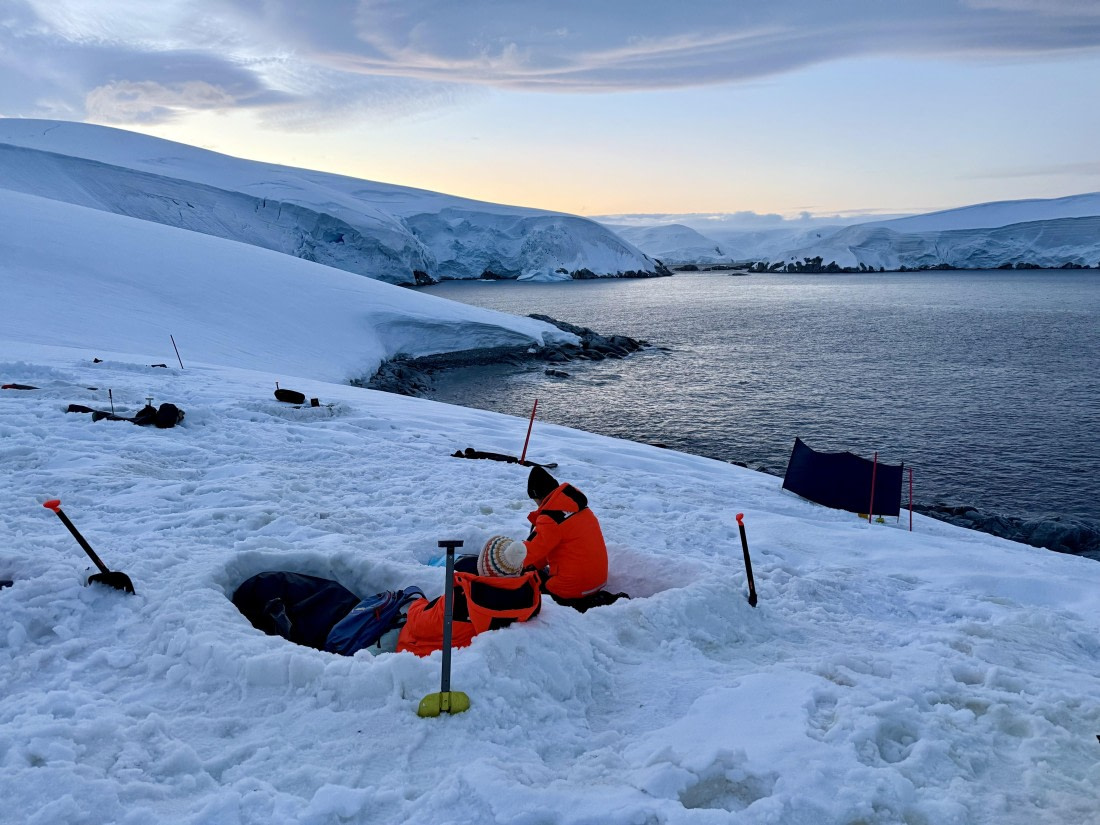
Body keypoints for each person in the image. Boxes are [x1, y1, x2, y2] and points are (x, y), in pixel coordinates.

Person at [483, 466, 622, 611]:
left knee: (530, 585)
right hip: (598, 582)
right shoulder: (580, 508)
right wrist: (534, 565)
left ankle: (575, 604)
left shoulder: (551, 518)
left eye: (534, 499)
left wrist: (504, 565)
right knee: (537, 570)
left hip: (572, 589)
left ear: (538, 495)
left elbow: (529, 552)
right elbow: (546, 548)